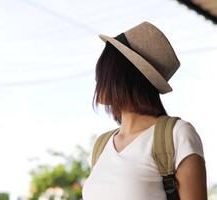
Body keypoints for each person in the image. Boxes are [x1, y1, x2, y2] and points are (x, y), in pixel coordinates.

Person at [81, 21, 207, 200]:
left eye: (103, 71)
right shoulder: (102, 145)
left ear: (122, 76)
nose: (97, 78)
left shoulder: (177, 135)